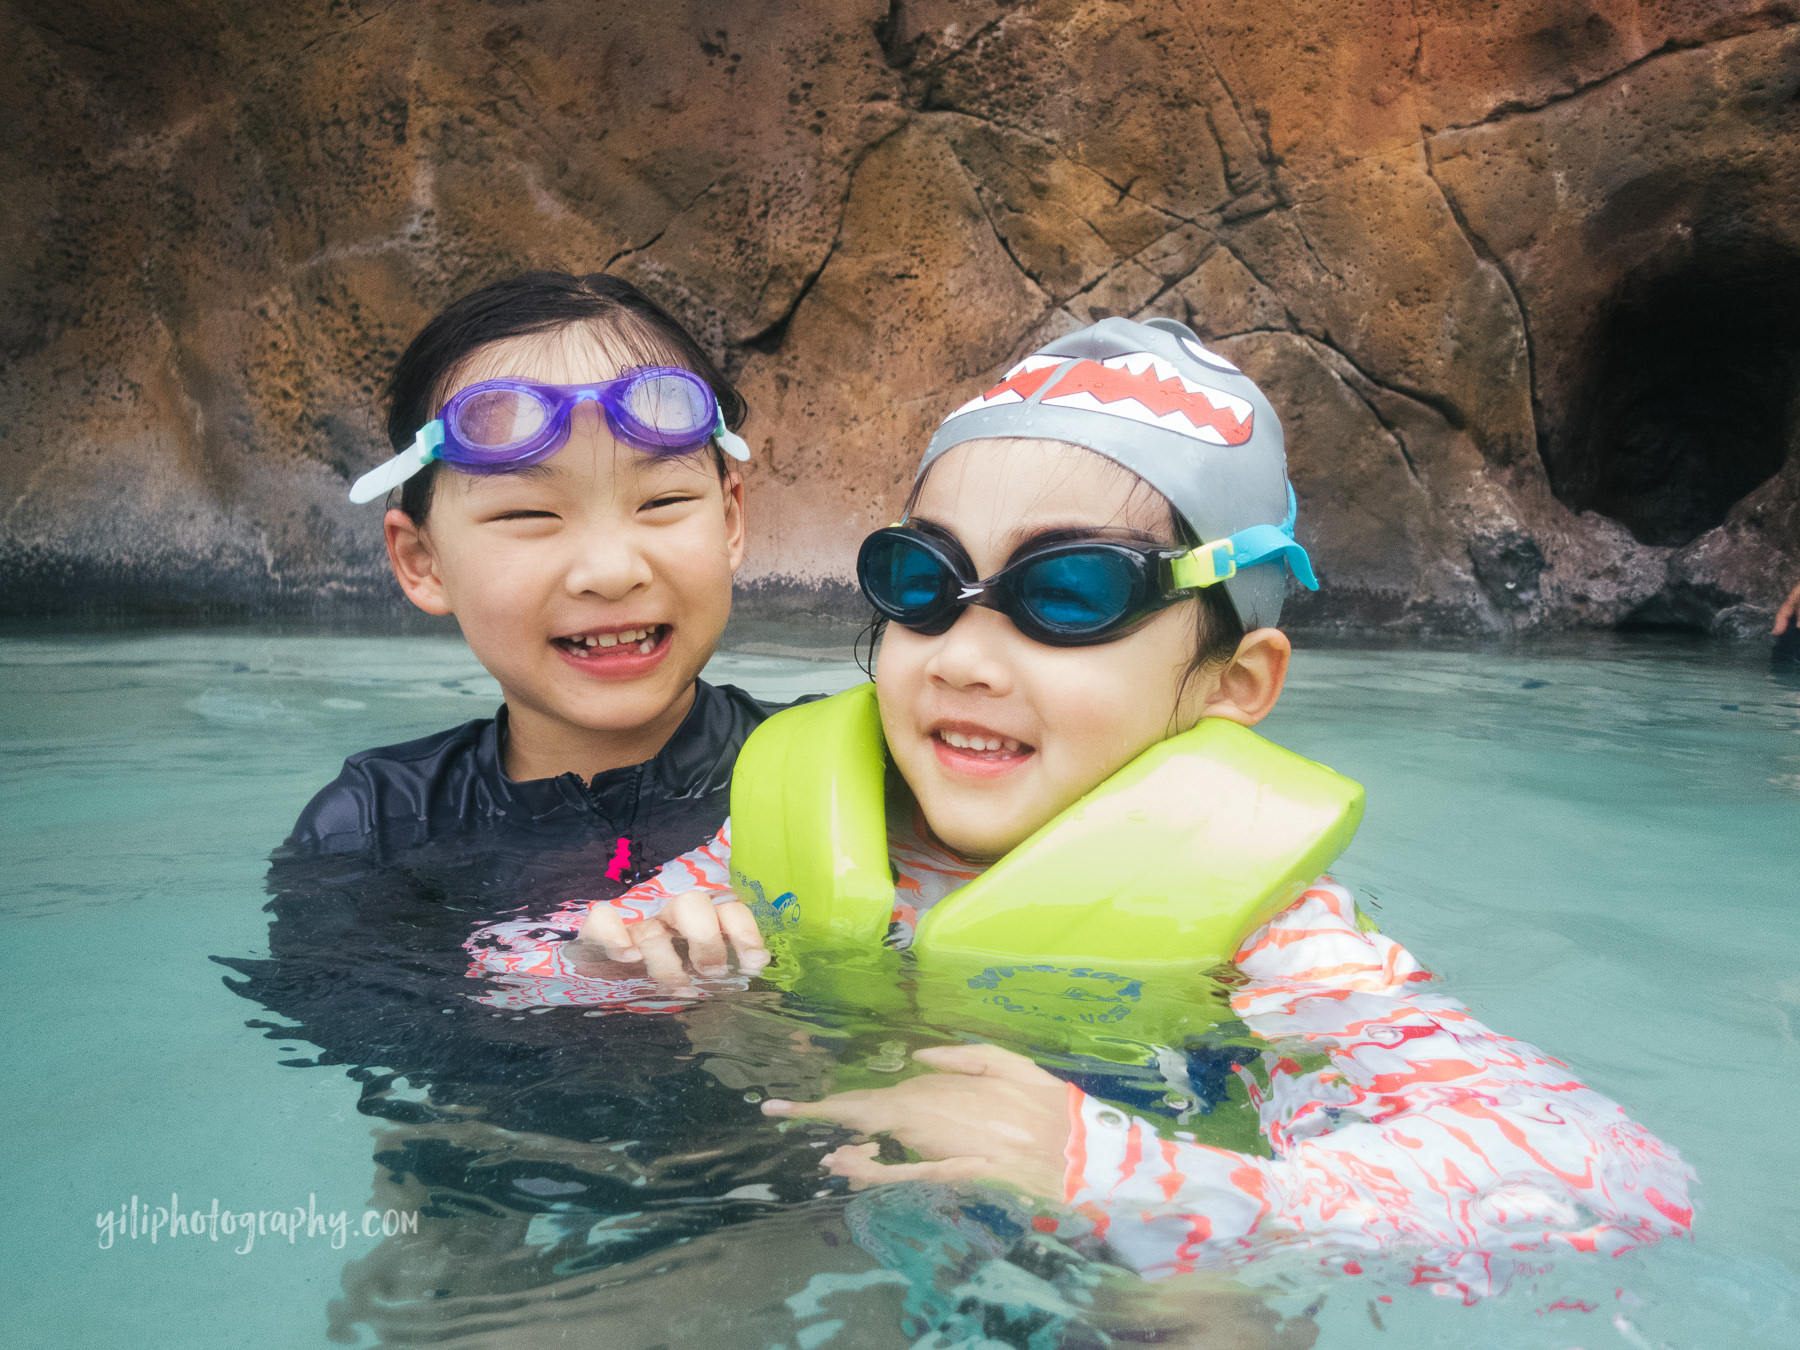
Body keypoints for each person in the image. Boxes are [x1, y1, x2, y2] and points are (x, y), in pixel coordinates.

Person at [466, 316, 1694, 1301]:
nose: (962, 654)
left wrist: (1117, 1171)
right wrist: (603, 961)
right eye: (924, 582)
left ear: (1231, 684)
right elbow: (514, 974)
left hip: (1124, 1270)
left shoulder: (1272, 935)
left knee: (1197, 1318)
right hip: (854, 1240)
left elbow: (1610, 1179)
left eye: (1069, 594)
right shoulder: (788, 834)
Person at [288, 269, 772, 972]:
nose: (611, 571)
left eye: (663, 501)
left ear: (729, 519)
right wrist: (567, 998)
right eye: (528, 515)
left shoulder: (842, 770)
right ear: (424, 560)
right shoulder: (375, 827)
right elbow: (355, 1035)